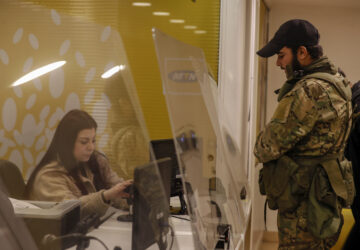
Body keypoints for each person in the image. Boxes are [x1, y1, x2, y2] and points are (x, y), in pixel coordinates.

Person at [254, 19, 354, 249]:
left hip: (303, 206)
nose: (278, 63)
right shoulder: (339, 81)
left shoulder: (309, 90)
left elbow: (267, 146)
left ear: (302, 52)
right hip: (325, 197)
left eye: (281, 55)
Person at [25, 109, 133, 218]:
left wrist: (131, 193)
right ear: (67, 142)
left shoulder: (97, 161)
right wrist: (105, 196)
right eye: (84, 142)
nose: (91, 147)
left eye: (93, 141)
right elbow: (70, 210)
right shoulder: (48, 177)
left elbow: (116, 190)